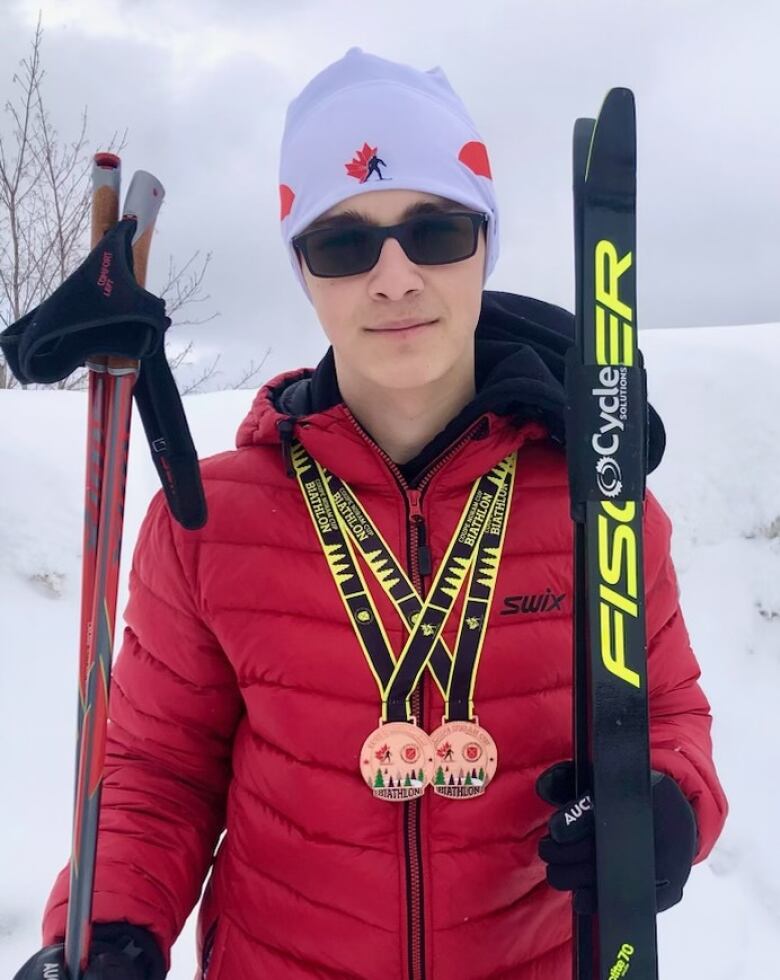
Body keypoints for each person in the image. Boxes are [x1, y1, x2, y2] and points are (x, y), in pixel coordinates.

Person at [15, 47, 728, 980]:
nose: (393, 279)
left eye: (434, 232)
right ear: (304, 271)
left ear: (486, 246)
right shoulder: (210, 518)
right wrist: (112, 927)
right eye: (343, 243)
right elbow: (158, 770)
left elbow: (667, 714)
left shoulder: (601, 499)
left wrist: (662, 806)